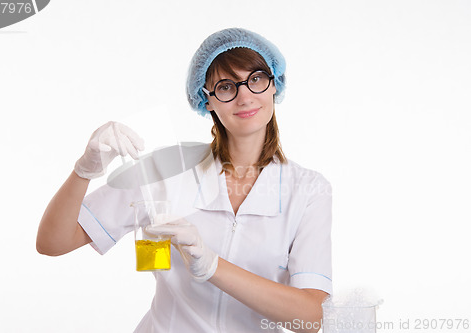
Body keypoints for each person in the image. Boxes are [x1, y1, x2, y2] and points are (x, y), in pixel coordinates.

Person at [37, 27, 332, 333]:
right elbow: (52, 242)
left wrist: (212, 265)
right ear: (207, 101)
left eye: (256, 78)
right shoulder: (166, 169)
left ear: (274, 84)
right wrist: (84, 170)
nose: (245, 96)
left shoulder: (308, 190)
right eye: (227, 86)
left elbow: (312, 319)